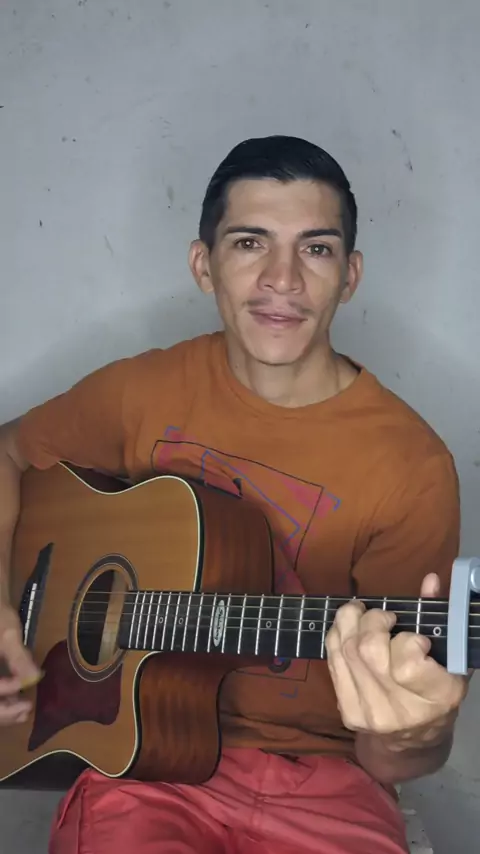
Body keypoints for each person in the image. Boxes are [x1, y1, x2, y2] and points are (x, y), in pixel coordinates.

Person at [0, 135, 469, 853]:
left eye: (316, 249)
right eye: (251, 242)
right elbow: (7, 451)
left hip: (327, 781)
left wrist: (415, 732)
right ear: (203, 264)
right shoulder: (142, 391)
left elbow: (390, 757)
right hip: (143, 765)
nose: (282, 279)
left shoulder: (413, 467)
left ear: (349, 275)